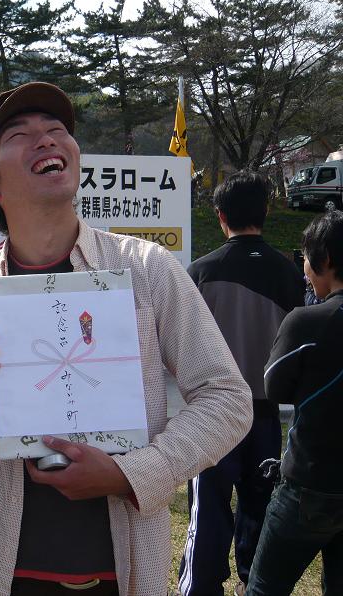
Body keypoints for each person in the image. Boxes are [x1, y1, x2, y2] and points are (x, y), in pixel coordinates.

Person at [0, 82, 253, 595]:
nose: (47, 139)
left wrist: (132, 473)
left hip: (121, 570)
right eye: (20, 134)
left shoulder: (145, 269)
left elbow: (227, 397)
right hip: (1, 570)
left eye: (57, 129)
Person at [177, 171, 305, 596]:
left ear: (220, 216)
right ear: (265, 211)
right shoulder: (289, 274)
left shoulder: (200, 272)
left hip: (211, 414)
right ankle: (255, 583)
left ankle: (202, 586)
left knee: (208, 510)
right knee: (261, 507)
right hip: (265, 414)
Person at [246, 211, 343, 595]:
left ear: (325, 259)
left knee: (264, 588)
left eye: (305, 257)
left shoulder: (308, 321)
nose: (304, 269)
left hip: (308, 486)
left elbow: (274, 387)